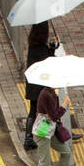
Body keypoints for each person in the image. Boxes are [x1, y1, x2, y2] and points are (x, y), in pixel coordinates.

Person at [29, 83, 76, 166]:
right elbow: (55, 116)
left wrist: (56, 97)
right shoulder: (46, 95)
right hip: (43, 132)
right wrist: (64, 105)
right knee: (44, 162)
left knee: (66, 151)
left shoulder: (51, 93)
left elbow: (53, 115)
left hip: (51, 130)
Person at [22, 22, 58, 151]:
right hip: (41, 87)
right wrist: (53, 49)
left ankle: (28, 138)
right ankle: (45, 136)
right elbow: (49, 62)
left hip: (32, 84)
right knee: (47, 111)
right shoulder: (42, 49)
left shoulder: (33, 45)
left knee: (33, 112)